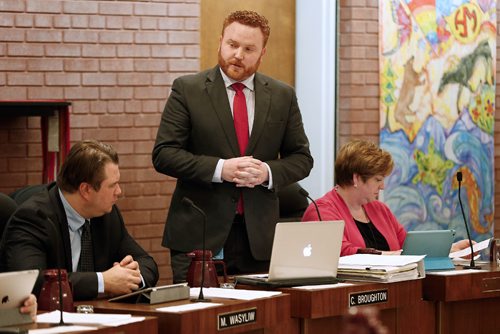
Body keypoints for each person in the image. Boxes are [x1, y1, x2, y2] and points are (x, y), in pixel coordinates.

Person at [153, 10, 313, 282]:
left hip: (258, 239)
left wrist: (267, 173)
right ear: (220, 42)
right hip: (200, 235)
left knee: (259, 319)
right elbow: (164, 154)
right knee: (200, 321)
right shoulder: (187, 90)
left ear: (262, 53)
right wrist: (220, 169)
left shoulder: (282, 95)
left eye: (249, 48)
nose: (238, 54)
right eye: (232, 44)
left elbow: (301, 158)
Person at [0, 140, 159, 300]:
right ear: (86, 190)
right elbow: (31, 282)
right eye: (113, 185)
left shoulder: (106, 214)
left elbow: (146, 262)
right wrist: (103, 282)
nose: (119, 192)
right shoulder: (34, 218)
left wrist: (130, 276)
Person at [302, 139, 471, 256]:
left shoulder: (379, 209)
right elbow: (344, 253)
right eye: (378, 180)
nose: (383, 186)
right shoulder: (321, 211)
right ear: (356, 179)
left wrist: (449, 250)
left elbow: (409, 247)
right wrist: (396, 256)